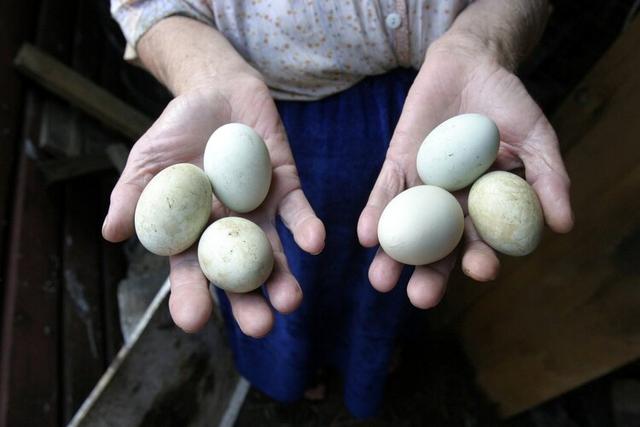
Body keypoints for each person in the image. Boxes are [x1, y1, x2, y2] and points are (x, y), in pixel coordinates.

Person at [105, 0, 573, 417]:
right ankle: (297, 373)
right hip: (268, 122)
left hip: (430, 108)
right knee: (287, 276)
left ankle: (362, 364)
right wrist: (206, 76)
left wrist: (484, 43)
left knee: (387, 274)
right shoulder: (250, 156)